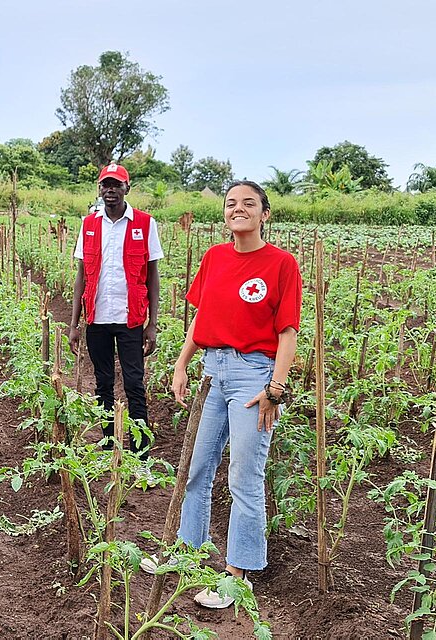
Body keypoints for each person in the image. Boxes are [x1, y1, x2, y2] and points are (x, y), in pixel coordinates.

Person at [144, 181, 301, 609]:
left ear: (265, 214)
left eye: (249, 204)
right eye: (232, 204)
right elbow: (202, 317)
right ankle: (186, 553)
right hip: (213, 370)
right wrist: (181, 363)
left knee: (243, 477)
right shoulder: (214, 257)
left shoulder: (281, 264)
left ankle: (237, 576)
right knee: (196, 468)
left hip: (255, 377)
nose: (239, 209)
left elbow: (287, 331)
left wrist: (276, 389)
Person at [69, 163, 163, 458]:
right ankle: (109, 443)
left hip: (131, 318)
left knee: (134, 383)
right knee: (103, 382)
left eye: (116, 185)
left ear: (127, 188)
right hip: (97, 317)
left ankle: (140, 452)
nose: (110, 190)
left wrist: (153, 324)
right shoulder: (89, 225)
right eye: (105, 185)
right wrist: (74, 324)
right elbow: (81, 276)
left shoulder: (145, 223)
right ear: (100, 189)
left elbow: (153, 276)